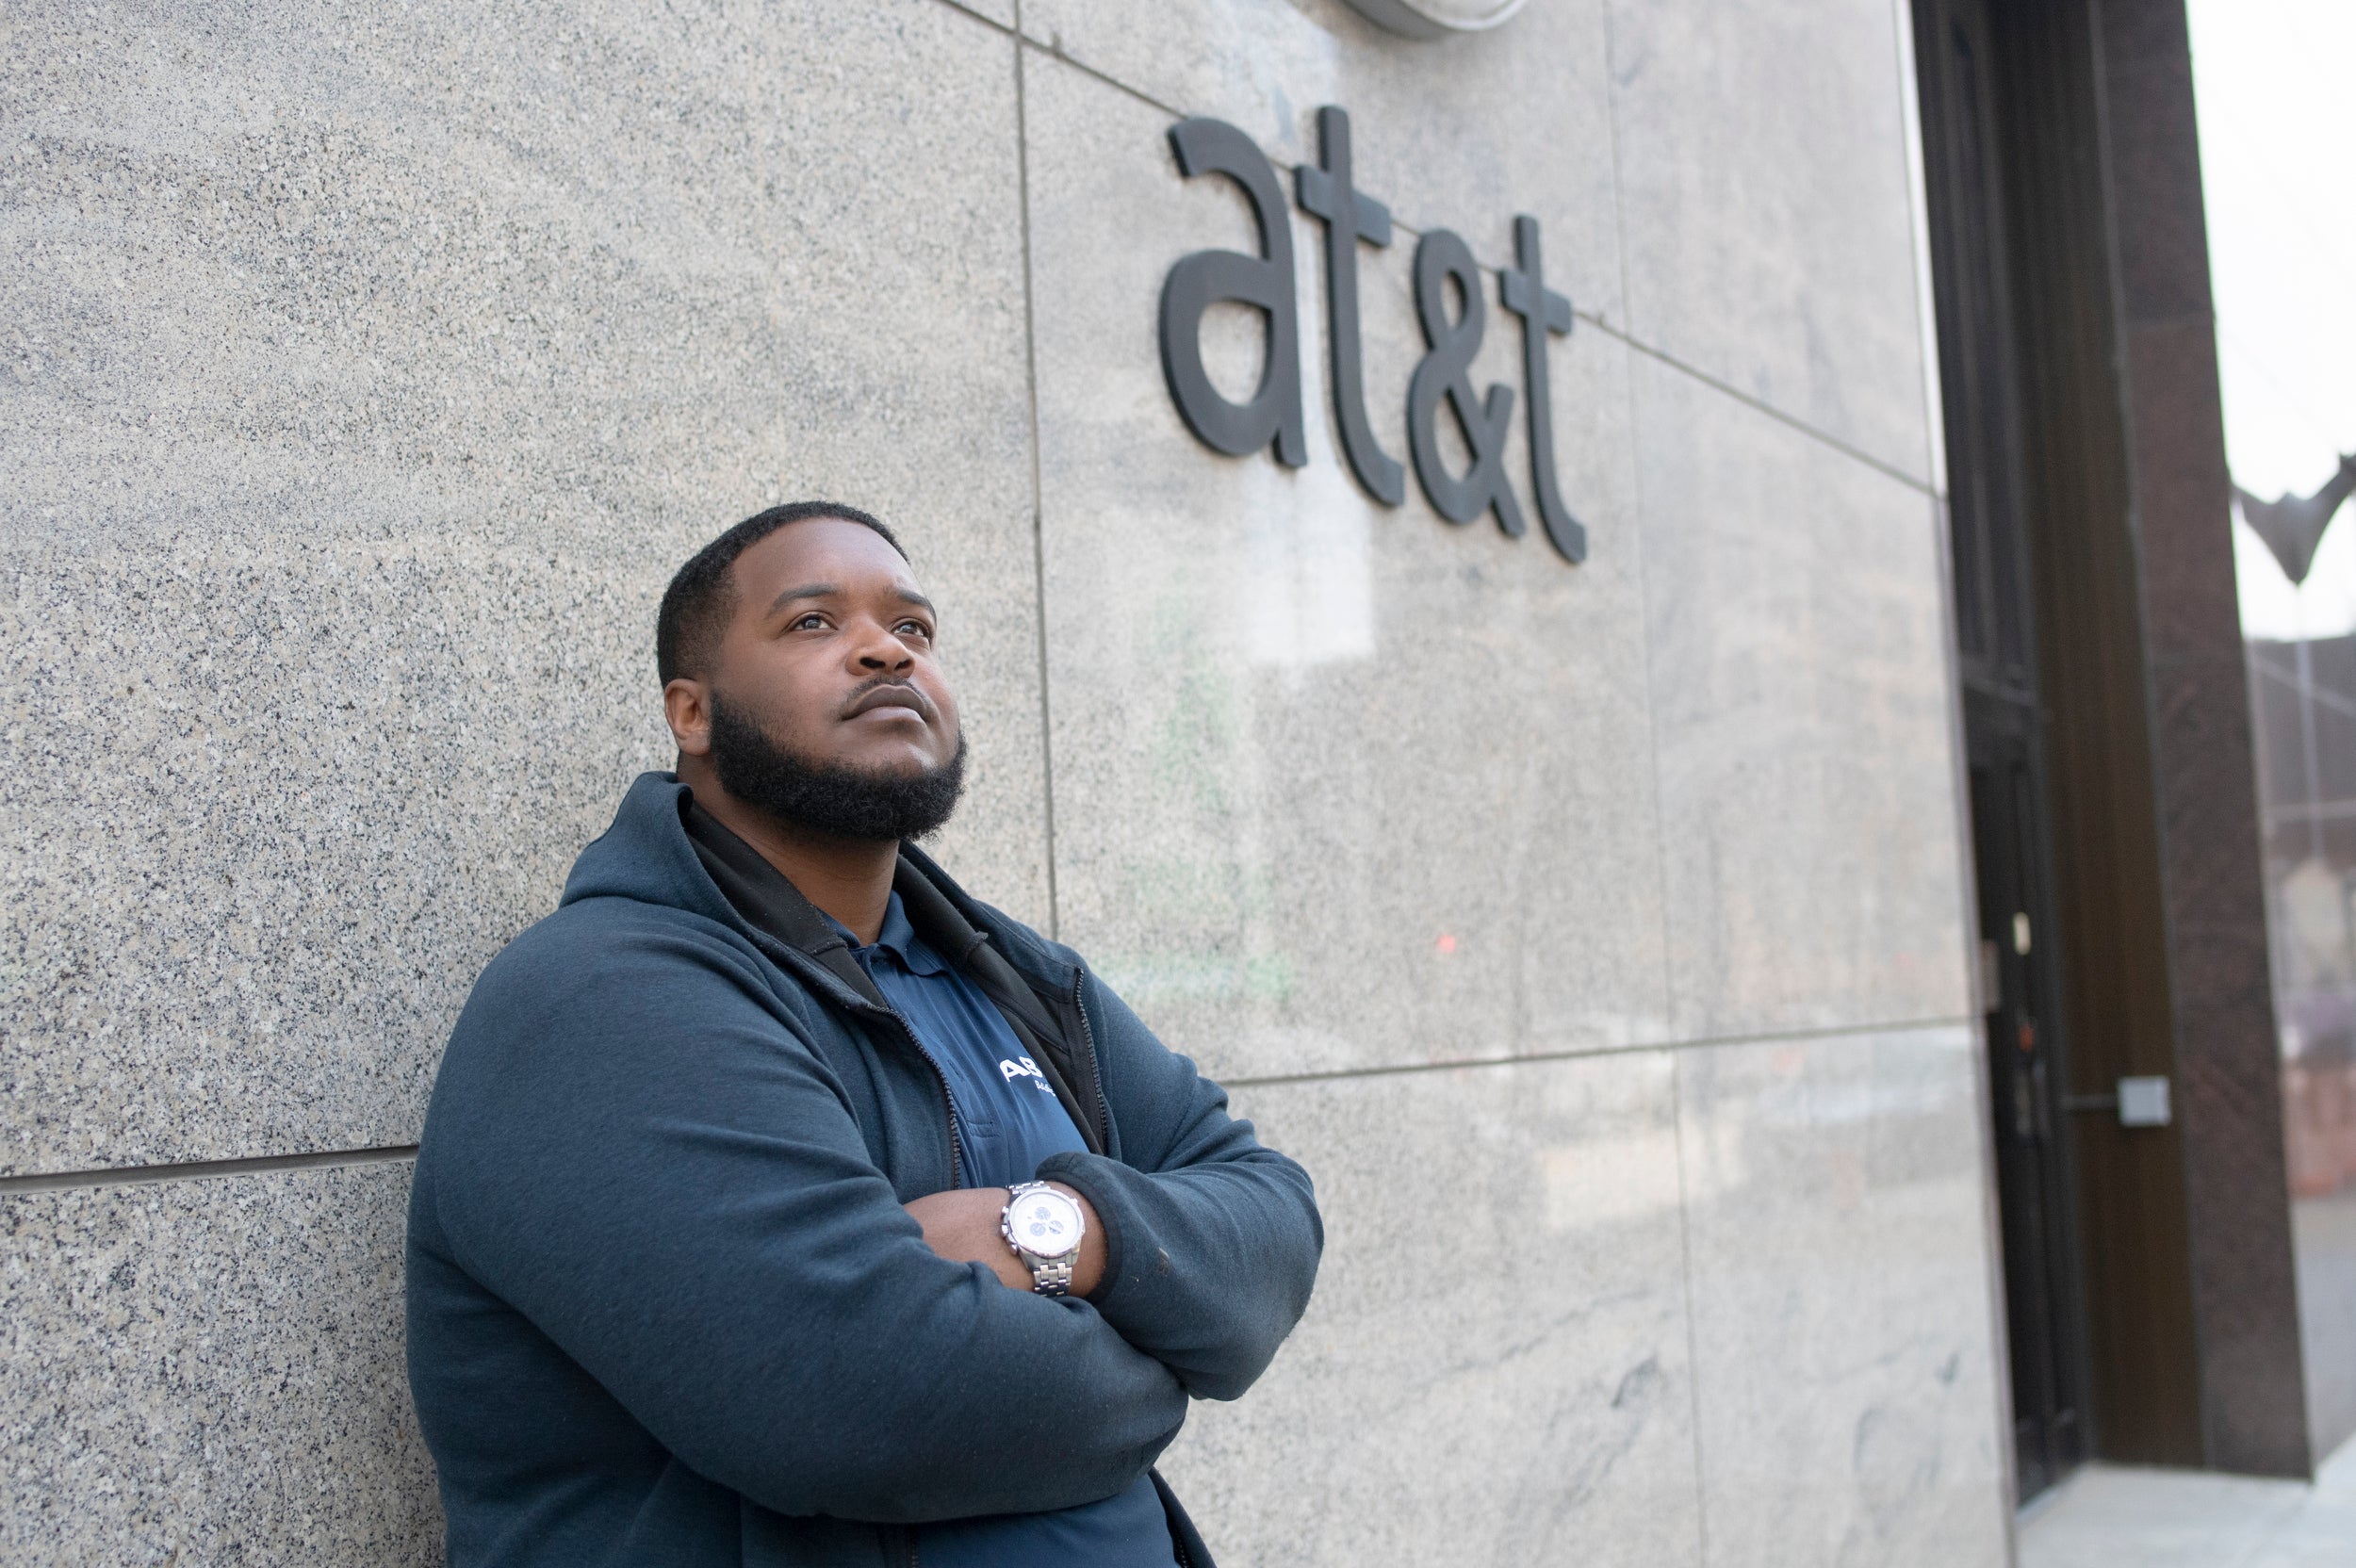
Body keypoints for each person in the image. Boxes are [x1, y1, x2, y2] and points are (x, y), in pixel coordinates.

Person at [404, 501, 1322, 1568]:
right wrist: (1162, 1339)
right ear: (690, 712)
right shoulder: (598, 1002)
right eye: (811, 623)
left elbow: (1271, 1216)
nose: (887, 648)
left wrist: (1064, 1232)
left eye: (915, 628)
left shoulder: (1013, 972)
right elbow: (864, 1397)